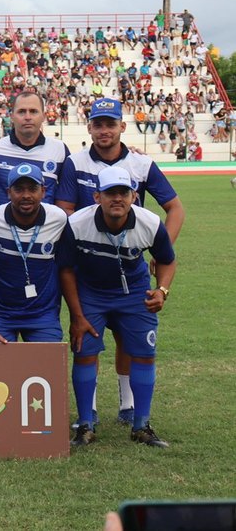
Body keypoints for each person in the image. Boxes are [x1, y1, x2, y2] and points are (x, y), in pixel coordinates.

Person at [56, 97, 185, 426]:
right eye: (98, 124)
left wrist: (159, 249)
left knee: (133, 339)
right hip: (89, 266)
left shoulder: (141, 165)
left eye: (110, 124)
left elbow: (175, 209)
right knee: (87, 345)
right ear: (89, 128)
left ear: (121, 127)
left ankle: (130, 408)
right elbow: (65, 211)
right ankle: (89, 415)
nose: (104, 130)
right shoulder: (76, 162)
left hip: (130, 268)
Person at [66, 167, 176, 448]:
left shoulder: (150, 223)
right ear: (97, 196)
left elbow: (166, 259)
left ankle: (141, 426)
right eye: (110, 193)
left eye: (123, 192)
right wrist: (77, 315)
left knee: (144, 354)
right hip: (91, 293)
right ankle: (86, 425)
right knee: (85, 352)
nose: (117, 198)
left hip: (135, 293)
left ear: (134, 196)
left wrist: (161, 290)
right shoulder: (78, 223)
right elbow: (65, 270)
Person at [0, 163, 82, 344]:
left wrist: (77, 316)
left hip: (42, 313)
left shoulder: (58, 218)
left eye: (32, 189)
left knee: (45, 368)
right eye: (19, 189)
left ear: (43, 191)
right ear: (9, 192)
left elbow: (68, 265)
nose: (26, 195)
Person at [0, 90, 70, 204]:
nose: (28, 117)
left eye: (34, 111)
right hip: (2, 221)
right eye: (21, 112)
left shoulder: (60, 149)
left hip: (47, 222)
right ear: (12, 116)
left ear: (44, 116)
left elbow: (65, 199)